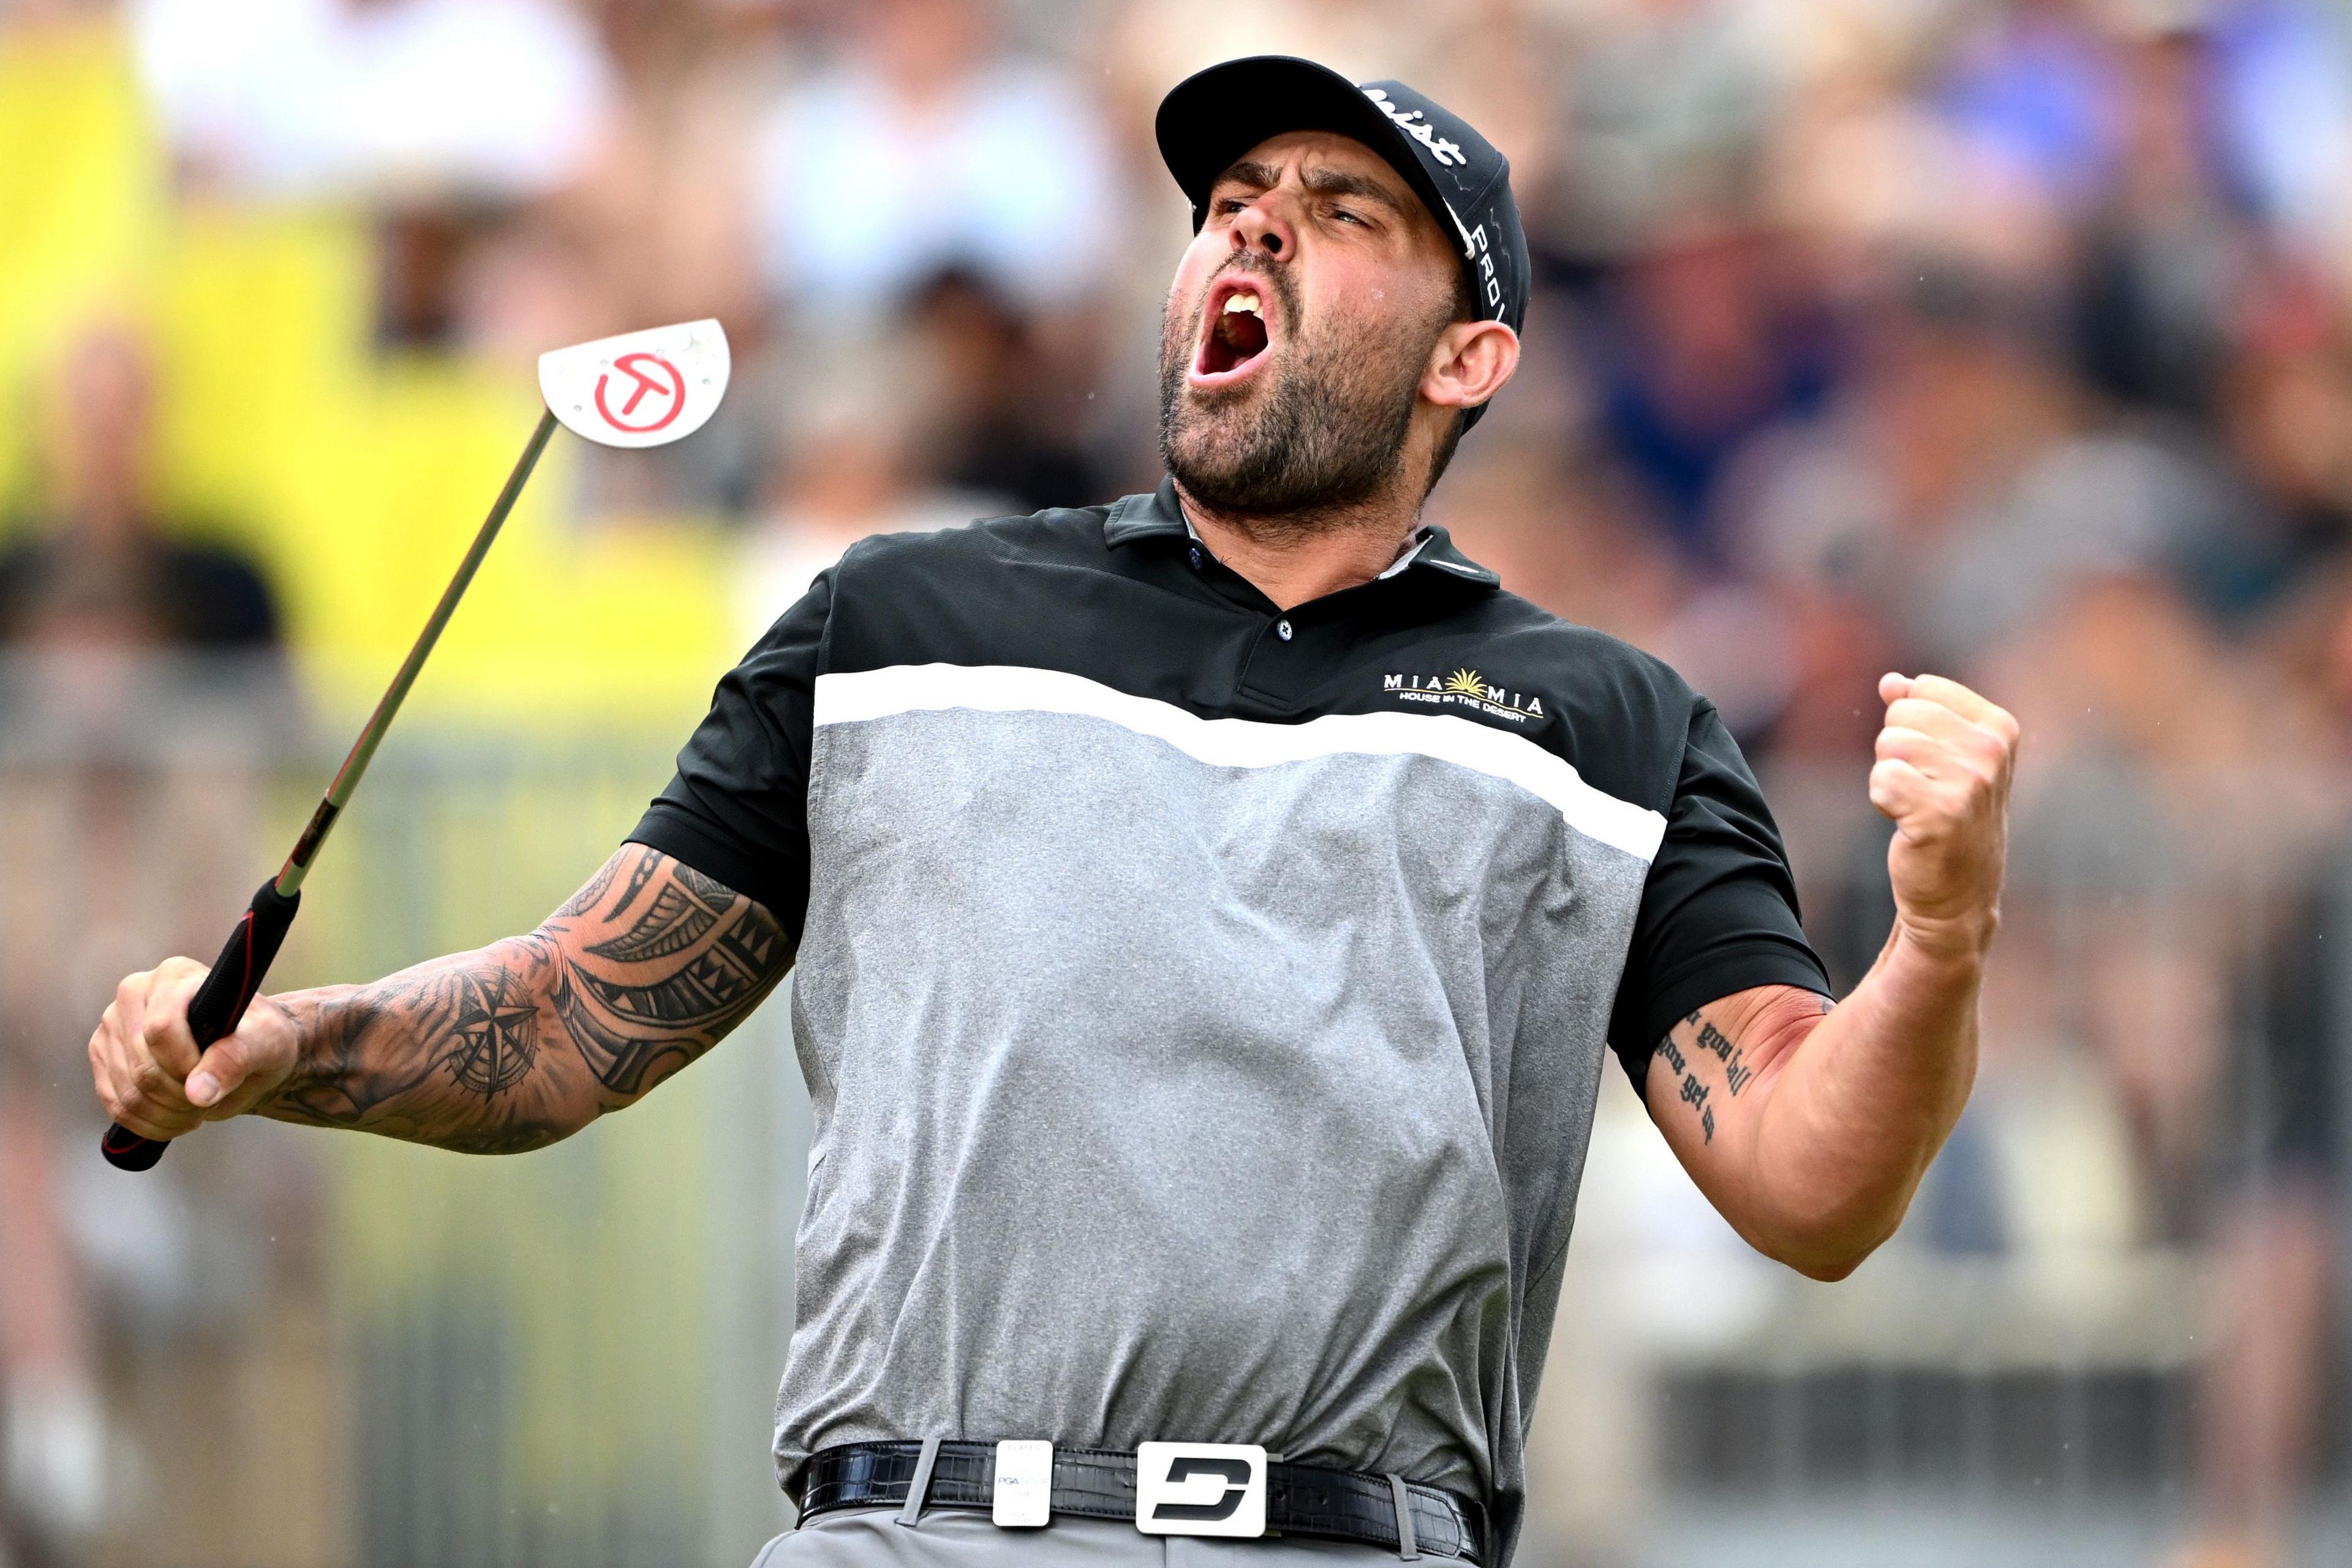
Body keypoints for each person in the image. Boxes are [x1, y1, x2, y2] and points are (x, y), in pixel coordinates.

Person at [88, 57, 2019, 1568]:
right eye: (1230, 206)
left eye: (1338, 213)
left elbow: (1812, 1181)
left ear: (1471, 356)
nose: (1251, 236)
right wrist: (283, 1043)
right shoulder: (902, 618)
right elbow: (578, 1017)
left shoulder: (1609, 724)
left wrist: (1937, 942)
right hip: (895, 1532)